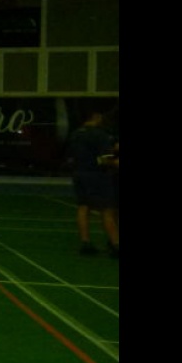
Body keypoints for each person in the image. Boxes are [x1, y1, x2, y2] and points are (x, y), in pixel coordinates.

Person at [65, 108, 120, 258]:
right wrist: (115, 163)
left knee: (83, 207)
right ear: (95, 116)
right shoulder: (100, 135)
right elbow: (104, 159)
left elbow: (70, 157)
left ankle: (85, 242)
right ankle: (115, 244)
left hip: (79, 173)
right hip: (97, 175)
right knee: (107, 209)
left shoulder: (75, 134)